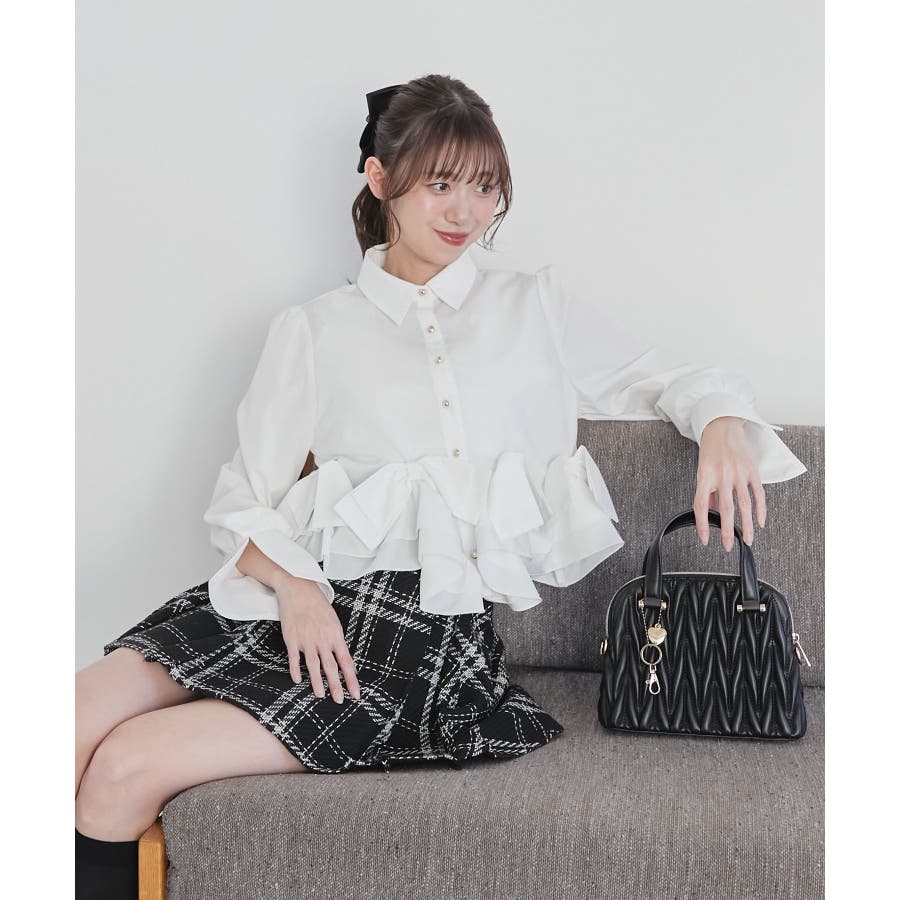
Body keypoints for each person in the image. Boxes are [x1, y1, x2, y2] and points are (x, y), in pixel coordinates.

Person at [74, 72, 807, 898]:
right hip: (293, 600)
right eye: (441, 184)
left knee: (127, 766)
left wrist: (720, 423)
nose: (466, 211)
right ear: (380, 178)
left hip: (418, 641)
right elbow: (242, 497)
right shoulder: (313, 329)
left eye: (486, 188)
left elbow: (670, 379)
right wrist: (299, 589)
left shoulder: (533, 306)